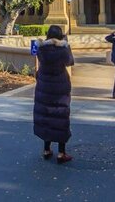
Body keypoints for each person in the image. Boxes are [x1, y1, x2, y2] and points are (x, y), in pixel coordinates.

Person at [33, 24, 75, 163]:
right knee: (60, 117)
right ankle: (61, 153)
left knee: (46, 117)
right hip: (59, 87)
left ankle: (46, 150)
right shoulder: (62, 49)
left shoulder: (40, 48)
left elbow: (35, 56)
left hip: (44, 85)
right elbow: (70, 62)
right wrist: (66, 44)